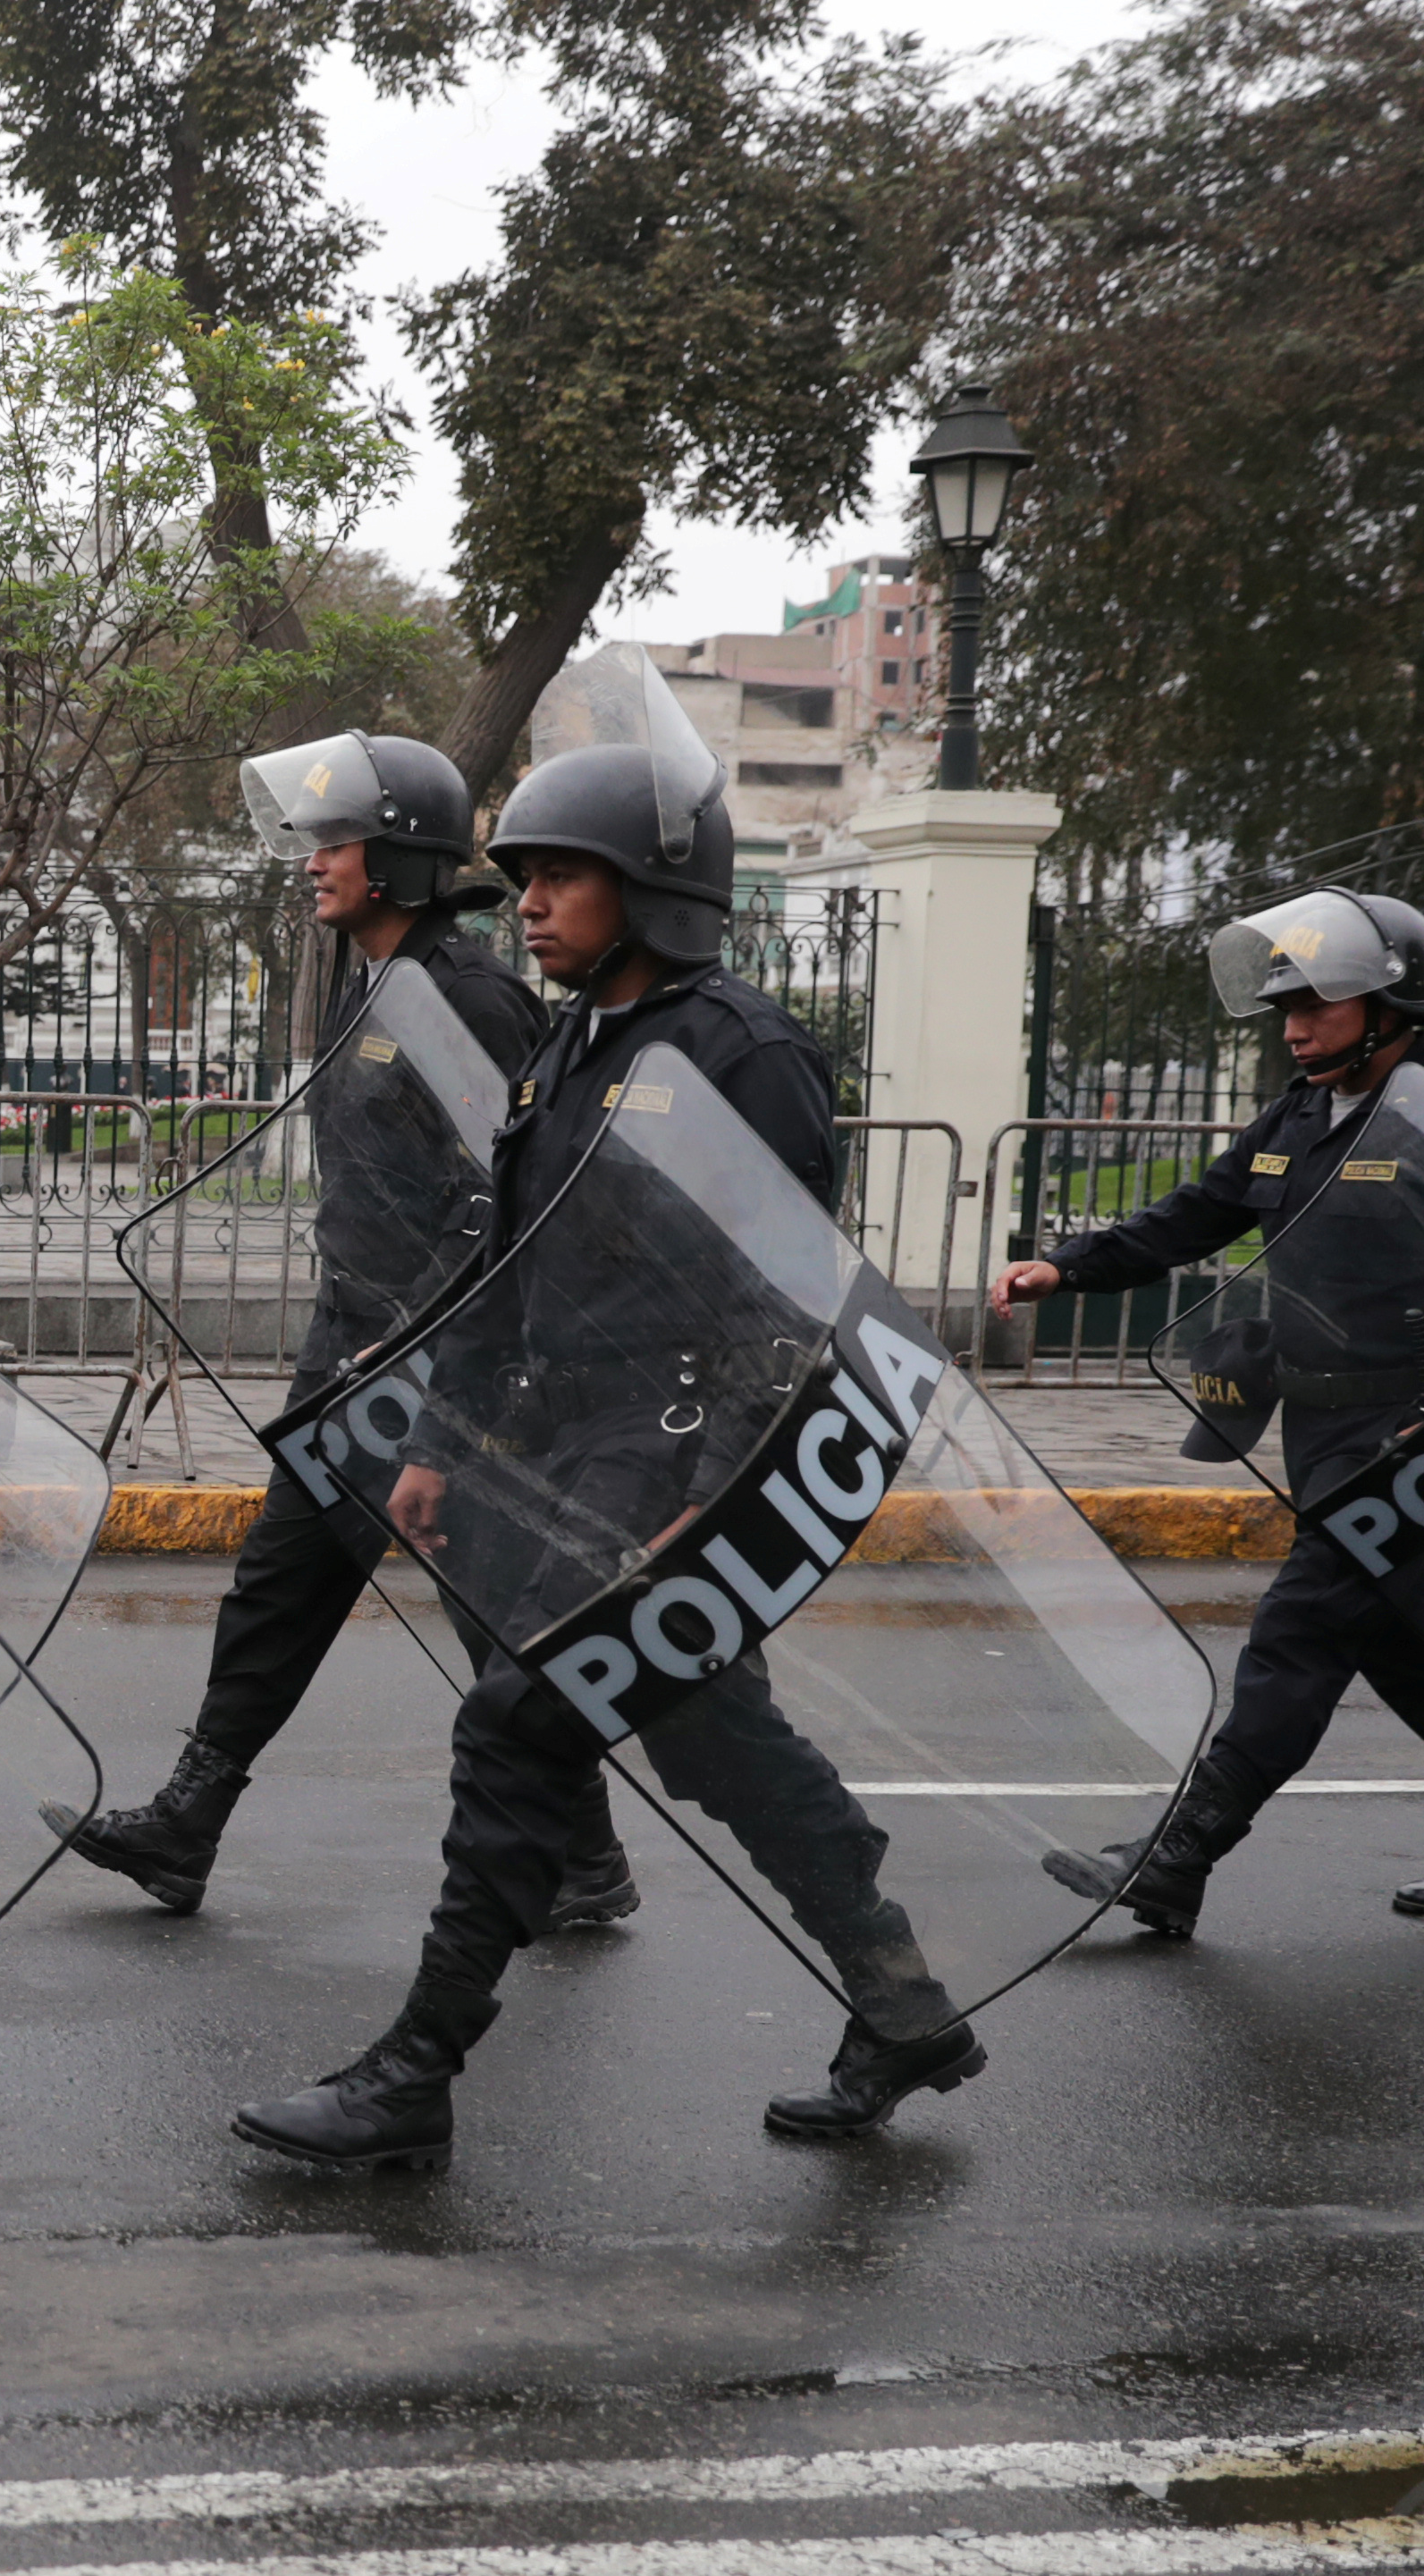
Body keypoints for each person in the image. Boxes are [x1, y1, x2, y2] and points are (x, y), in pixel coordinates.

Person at [236, 671, 978, 2173]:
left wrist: (712, 1489)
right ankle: (902, 2002)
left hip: (670, 1469)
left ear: (651, 885)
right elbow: (501, 1273)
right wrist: (439, 1442)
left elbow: (784, 1304)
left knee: (514, 1731)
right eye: (518, 877)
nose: (529, 902)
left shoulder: (741, 1054)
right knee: (724, 1749)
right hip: (555, 1460)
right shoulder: (568, 1050)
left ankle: (416, 2070)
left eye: (559, 874)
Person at [47, 727, 635, 1928]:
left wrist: (430, 1347)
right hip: (354, 1347)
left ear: (403, 859)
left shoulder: (463, 996)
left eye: (338, 840)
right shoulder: (373, 976)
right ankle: (190, 1825)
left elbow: (513, 1202)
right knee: (284, 1583)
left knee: (489, 1610)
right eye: (311, 840)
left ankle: (582, 1859)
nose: (314, 863)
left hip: (438, 1362)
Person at [999, 894, 1424, 1939]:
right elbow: (1194, 1215)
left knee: (1300, 1632)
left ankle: (1178, 1854)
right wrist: (1065, 1269)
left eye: (1321, 1003)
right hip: (1317, 1424)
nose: (1295, 1025)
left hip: (1409, 1434)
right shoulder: (1300, 1112)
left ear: (1393, 1003)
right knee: (1401, 1637)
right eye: (1285, 1005)